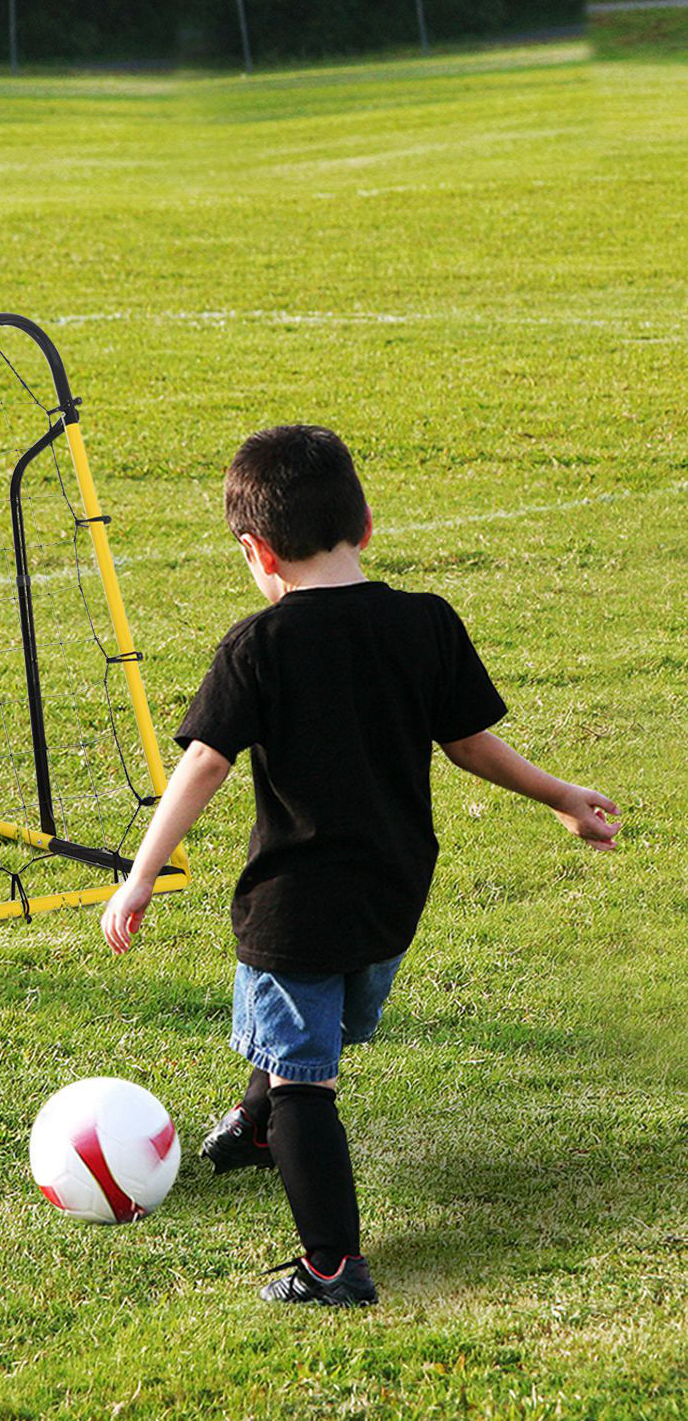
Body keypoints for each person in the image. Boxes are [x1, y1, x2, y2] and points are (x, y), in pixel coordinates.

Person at [99, 425, 621, 1306]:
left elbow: (206, 763)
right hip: (392, 895)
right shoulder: (424, 621)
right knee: (300, 1030)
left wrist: (142, 872)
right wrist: (561, 793)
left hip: (295, 907)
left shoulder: (257, 645)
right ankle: (258, 1129)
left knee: (307, 1075)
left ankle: (332, 1265)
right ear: (366, 524)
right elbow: (468, 744)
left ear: (255, 549)